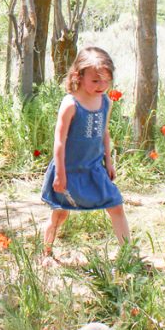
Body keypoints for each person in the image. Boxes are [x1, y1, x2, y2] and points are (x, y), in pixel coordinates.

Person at [41, 46, 130, 255]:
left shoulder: (105, 102)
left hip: (94, 168)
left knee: (116, 205)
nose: (102, 86)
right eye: (96, 81)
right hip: (69, 170)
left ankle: (128, 255)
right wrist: (60, 174)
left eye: (106, 81)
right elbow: (59, 141)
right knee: (59, 215)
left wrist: (109, 161)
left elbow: (104, 133)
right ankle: (46, 252)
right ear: (78, 76)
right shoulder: (71, 103)